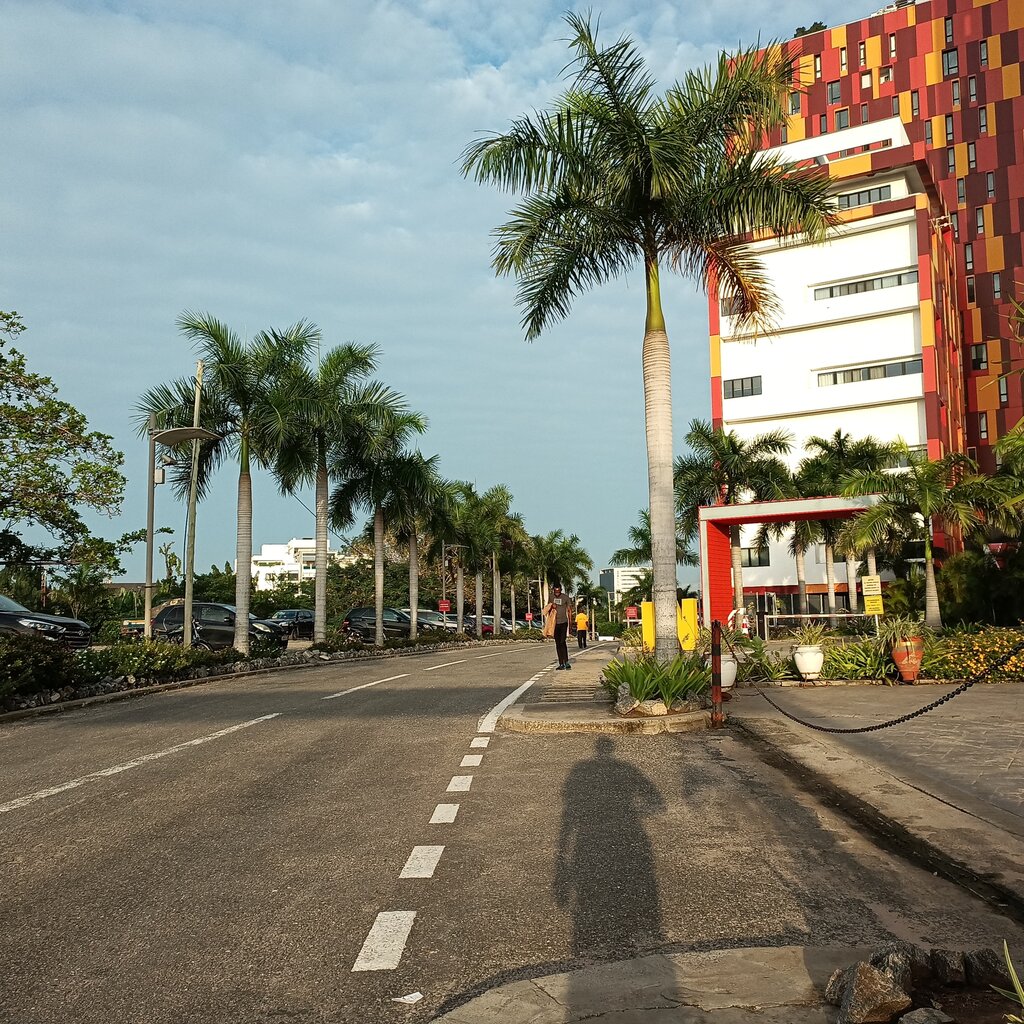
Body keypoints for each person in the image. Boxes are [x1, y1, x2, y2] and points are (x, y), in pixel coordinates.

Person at [544, 584, 574, 670]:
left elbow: (569, 610)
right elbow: (547, 609)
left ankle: (566, 662)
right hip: (555, 623)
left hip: (563, 622)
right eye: (555, 591)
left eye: (558, 591)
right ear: (553, 590)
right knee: (558, 643)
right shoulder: (551, 597)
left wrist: (570, 624)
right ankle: (561, 663)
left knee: (562, 642)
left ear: (561, 590)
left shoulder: (565, 597)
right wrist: (551, 606)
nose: (557, 593)